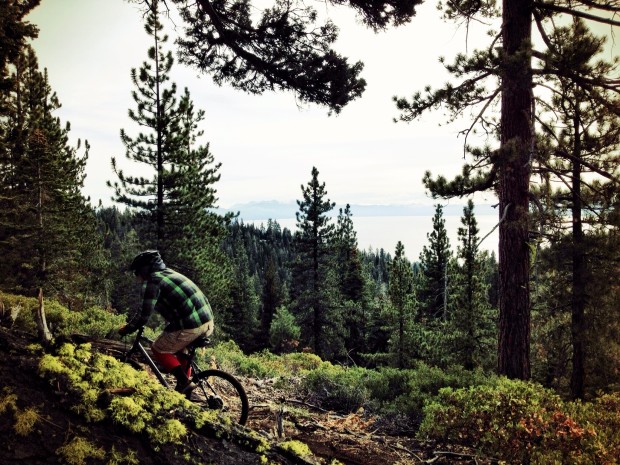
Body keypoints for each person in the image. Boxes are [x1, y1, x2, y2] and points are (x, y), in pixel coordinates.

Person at [119, 250, 214, 397]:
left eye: (136, 272)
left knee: (158, 349)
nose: (136, 277)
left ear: (144, 269)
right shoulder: (169, 273)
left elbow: (143, 315)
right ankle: (184, 392)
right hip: (207, 322)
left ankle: (184, 382)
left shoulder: (153, 281)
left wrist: (128, 329)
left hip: (191, 325)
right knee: (181, 352)